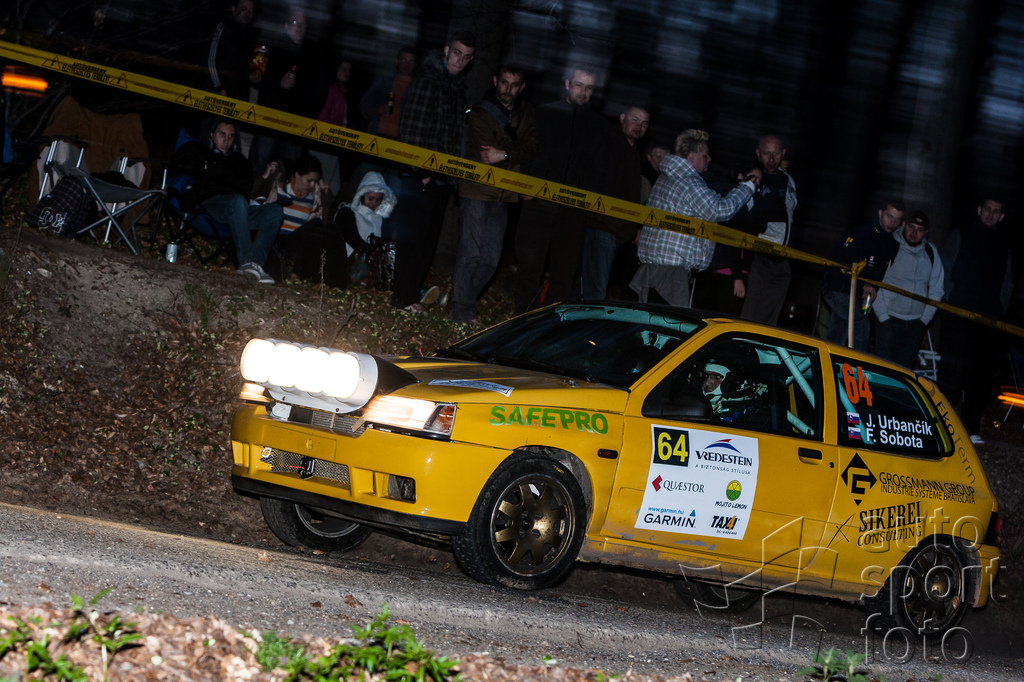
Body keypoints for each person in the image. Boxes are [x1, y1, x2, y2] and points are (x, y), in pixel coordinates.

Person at [390, 30, 475, 313]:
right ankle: (401, 299)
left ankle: (411, 296)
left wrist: (450, 176)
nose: (460, 60)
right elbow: (411, 128)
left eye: (466, 57)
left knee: (427, 242)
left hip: (441, 177)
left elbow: (454, 136)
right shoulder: (428, 80)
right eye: (457, 53)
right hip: (421, 176)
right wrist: (421, 170)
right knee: (411, 240)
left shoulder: (458, 87)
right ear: (446, 50)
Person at [513, 66, 609, 313]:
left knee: (563, 273)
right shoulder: (545, 113)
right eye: (579, 85)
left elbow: (599, 168)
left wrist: (590, 202)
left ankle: (549, 320)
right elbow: (527, 150)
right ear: (567, 84)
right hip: (539, 202)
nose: (583, 92)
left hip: (573, 210)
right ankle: (522, 318)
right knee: (529, 265)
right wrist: (525, 184)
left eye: (589, 87)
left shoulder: (598, 125)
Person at [630, 129, 757, 307]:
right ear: (691, 157)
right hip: (670, 272)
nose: (709, 159)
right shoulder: (687, 181)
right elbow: (719, 210)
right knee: (669, 322)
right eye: (705, 155)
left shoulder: (667, 177)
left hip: (659, 269)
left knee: (653, 319)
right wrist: (747, 188)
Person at [451, 64, 537, 325]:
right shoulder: (480, 112)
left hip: (505, 196)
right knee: (471, 253)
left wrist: (505, 154)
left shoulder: (527, 112)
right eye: (504, 82)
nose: (508, 89)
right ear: (495, 80)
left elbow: (531, 148)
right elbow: (486, 153)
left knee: (490, 260)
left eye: (514, 84)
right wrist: (513, 152)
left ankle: (459, 299)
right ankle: (463, 311)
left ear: (522, 87)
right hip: (477, 190)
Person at [938, 196, 1013, 445]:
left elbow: (1007, 281)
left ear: (1001, 216)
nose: (991, 214)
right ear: (979, 209)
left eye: (996, 211)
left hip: (988, 319)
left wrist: (1000, 306)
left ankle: (971, 427)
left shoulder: (1003, 245)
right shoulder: (961, 234)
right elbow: (945, 268)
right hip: (959, 313)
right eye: (988, 209)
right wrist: (950, 298)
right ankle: (942, 423)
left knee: (980, 376)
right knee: (952, 370)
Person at [172, 117, 282, 284]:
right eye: (222, 134)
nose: (226, 140)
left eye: (231, 136)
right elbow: (181, 176)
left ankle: (254, 263)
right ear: (211, 134)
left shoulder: (240, 162)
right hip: (209, 204)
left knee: (275, 211)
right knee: (237, 202)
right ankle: (245, 263)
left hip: (238, 210)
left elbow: (245, 190)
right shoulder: (196, 151)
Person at [576, 105, 650, 301]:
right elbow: (594, 180)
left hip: (613, 229)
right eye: (635, 120)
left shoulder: (632, 151)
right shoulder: (609, 142)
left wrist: (632, 226)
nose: (639, 127)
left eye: (644, 123)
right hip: (603, 225)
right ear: (622, 118)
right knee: (595, 290)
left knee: (585, 286)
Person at [821, 198, 903, 352]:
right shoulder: (861, 233)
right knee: (861, 325)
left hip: (858, 296)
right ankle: (859, 364)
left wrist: (872, 288)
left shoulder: (890, 243)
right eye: (890, 216)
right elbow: (840, 262)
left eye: (897, 219)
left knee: (838, 333)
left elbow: (878, 273)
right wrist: (862, 284)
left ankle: (828, 360)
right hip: (838, 289)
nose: (893, 222)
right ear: (880, 213)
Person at [249, 7, 323, 172]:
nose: (299, 27)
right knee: (259, 165)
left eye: (303, 24)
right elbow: (255, 78)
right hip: (269, 119)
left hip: (295, 124)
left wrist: (309, 115)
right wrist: (278, 83)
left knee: (291, 169)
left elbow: (317, 88)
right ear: (286, 25)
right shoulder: (269, 46)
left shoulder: (312, 53)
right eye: (295, 22)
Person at [739, 135, 798, 326]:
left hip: (783, 258)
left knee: (771, 319)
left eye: (776, 153)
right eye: (766, 153)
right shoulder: (753, 178)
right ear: (758, 154)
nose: (771, 159)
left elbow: (792, 215)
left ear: (783, 153)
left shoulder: (789, 181)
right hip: (758, 256)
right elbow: (743, 217)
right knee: (751, 316)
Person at [873, 210, 944, 369]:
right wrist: (883, 316)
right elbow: (875, 281)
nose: (914, 232)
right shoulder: (889, 245)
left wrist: (924, 319)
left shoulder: (931, 252)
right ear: (903, 225)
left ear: (926, 232)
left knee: (904, 372)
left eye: (919, 229)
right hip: (889, 319)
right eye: (911, 227)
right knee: (882, 369)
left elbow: (937, 288)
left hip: (915, 324)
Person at [312, 59, 353, 195]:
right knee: (322, 183)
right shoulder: (330, 90)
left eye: (349, 70)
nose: (347, 73)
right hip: (324, 142)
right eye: (343, 68)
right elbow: (323, 117)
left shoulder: (341, 92)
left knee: (332, 185)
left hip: (333, 143)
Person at [205, 0, 259, 101]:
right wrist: (219, 87)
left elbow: (249, 66)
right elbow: (211, 59)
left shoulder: (251, 35)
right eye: (243, 9)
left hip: (239, 95)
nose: (247, 13)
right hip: (218, 93)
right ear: (233, 9)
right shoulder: (223, 29)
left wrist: (254, 77)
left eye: (251, 10)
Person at [360, 48, 418, 139]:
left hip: (400, 142)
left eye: (411, 62)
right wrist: (378, 109)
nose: (407, 65)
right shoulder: (383, 83)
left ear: (415, 65)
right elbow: (364, 107)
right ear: (397, 62)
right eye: (403, 60)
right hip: (375, 137)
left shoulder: (418, 89)